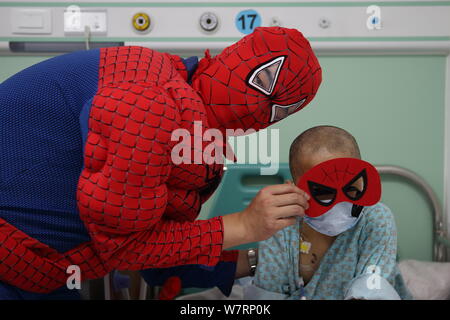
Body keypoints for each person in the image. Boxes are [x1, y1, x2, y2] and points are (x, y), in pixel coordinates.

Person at [0, 27, 322, 299]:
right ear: (235, 57)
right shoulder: (147, 100)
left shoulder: (199, 147)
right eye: (264, 79)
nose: (258, 107)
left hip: (36, 268)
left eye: (280, 111)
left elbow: (161, 248)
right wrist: (242, 226)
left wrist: (266, 260)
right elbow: (126, 248)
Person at [245, 125, 412, 300]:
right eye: (323, 193)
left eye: (351, 189)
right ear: (293, 190)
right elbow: (266, 297)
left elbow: (373, 287)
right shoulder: (280, 226)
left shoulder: (376, 219)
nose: (339, 203)